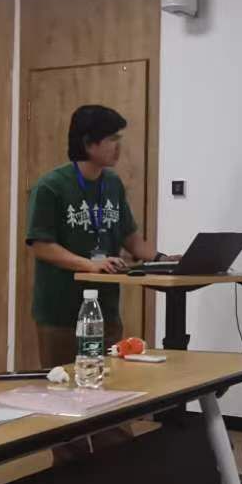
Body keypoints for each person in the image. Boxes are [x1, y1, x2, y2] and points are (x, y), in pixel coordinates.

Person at [24, 104, 169, 367]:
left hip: (106, 310)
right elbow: (42, 245)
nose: (118, 146)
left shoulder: (112, 183)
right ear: (89, 144)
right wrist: (89, 265)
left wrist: (163, 260)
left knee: (109, 380)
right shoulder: (51, 186)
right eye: (112, 139)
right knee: (66, 384)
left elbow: (129, 236)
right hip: (62, 313)